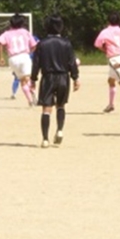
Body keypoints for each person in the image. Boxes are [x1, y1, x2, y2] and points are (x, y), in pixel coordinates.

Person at [31, 14, 80, 148]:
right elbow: (72, 63)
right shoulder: (66, 43)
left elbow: (36, 64)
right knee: (61, 105)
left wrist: (33, 79)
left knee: (46, 109)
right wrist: (75, 78)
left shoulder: (41, 44)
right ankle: (59, 130)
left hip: (48, 77)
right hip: (63, 77)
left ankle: (45, 139)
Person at [94, 11, 120, 112]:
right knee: (111, 81)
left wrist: (105, 50)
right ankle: (111, 104)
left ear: (108, 21)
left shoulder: (105, 31)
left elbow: (97, 44)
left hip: (113, 58)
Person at [0, 14, 38, 106]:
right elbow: (34, 45)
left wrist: (1, 57)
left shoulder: (6, 33)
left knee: (22, 80)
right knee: (29, 78)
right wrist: (29, 53)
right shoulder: (25, 32)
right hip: (24, 56)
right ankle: (33, 92)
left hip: (13, 59)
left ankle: (30, 100)